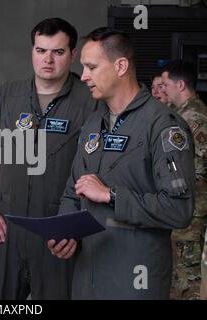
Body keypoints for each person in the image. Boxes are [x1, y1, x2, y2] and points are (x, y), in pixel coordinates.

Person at [48, 27, 196, 299]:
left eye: (91, 67)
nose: (84, 76)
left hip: (134, 279)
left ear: (121, 66)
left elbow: (178, 209)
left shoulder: (163, 126)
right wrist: (64, 230)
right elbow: (74, 190)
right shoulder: (93, 124)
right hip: (87, 278)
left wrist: (111, 195)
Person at [0, 17, 96, 299]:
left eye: (58, 52)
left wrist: (75, 227)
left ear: (72, 55)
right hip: (8, 233)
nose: (48, 60)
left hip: (59, 238)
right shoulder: (8, 96)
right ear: (32, 51)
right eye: (40, 50)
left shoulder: (90, 102)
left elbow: (103, 171)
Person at [161, 60, 207, 300]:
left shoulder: (193, 118)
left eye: (166, 84)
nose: (163, 90)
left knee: (187, 278)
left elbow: (195, 170)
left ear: (180, 85)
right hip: (185, 209)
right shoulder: (182, 115)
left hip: (191, 210)